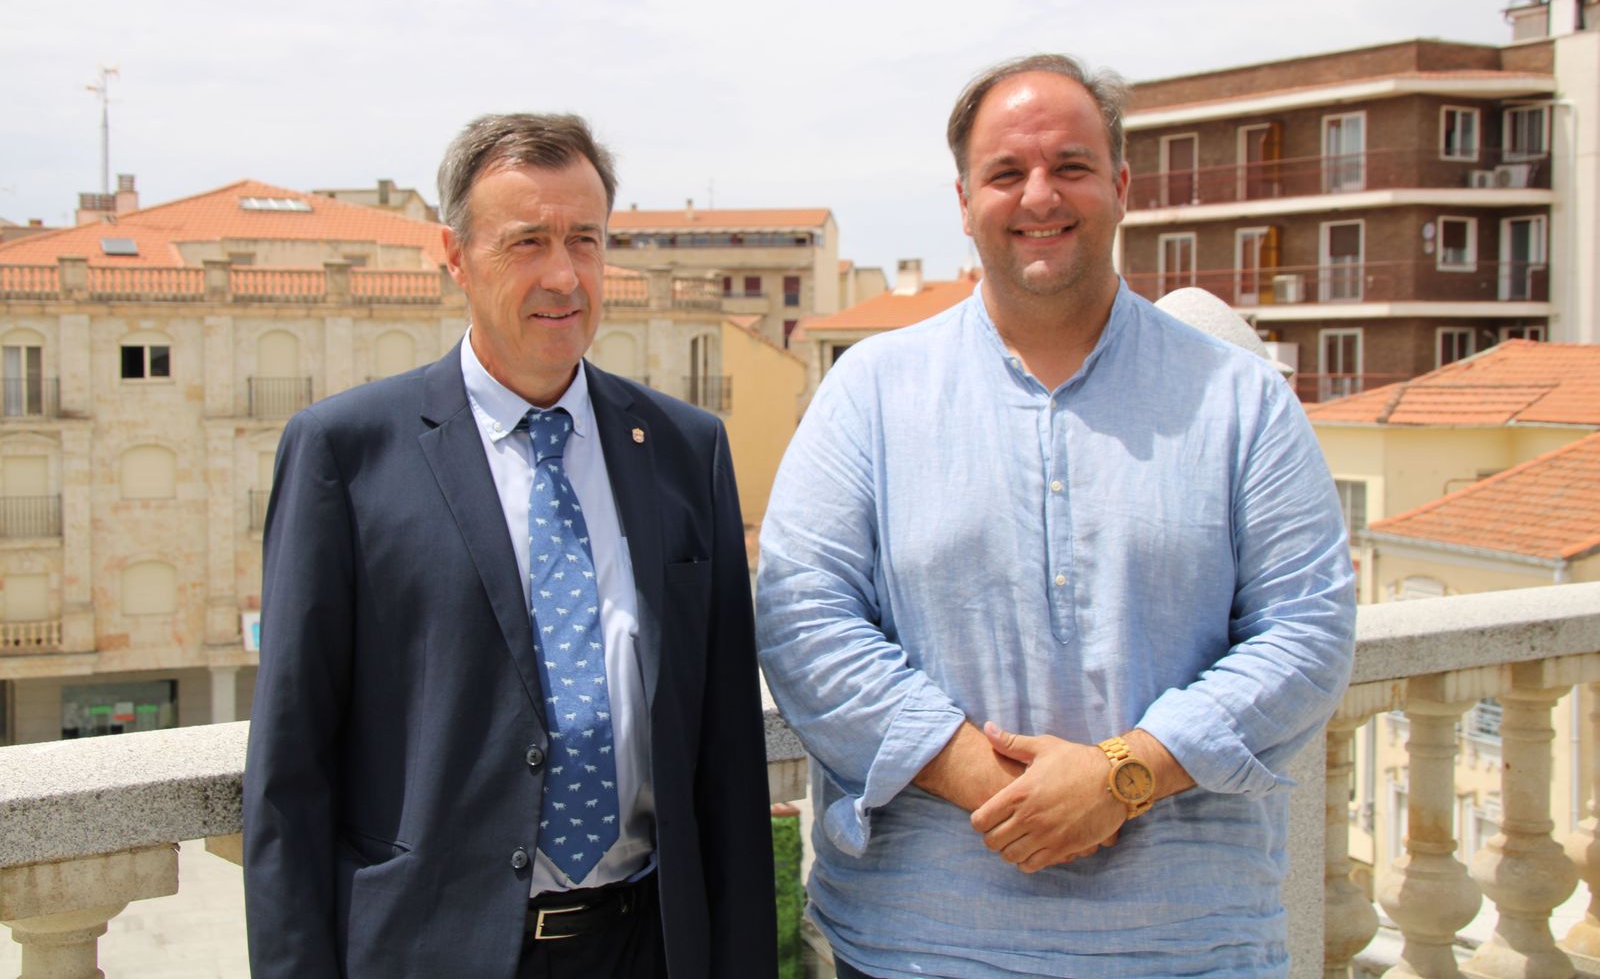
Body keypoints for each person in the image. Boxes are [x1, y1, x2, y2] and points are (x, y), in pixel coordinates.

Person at [755, 55, 1356, 977]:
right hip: (921, 942)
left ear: (1119, 186)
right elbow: (804, 621)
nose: (1040, 195)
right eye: (1007, 173)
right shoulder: (869, 393)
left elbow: (1308, 632)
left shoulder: (1238, 400)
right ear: (964, 201)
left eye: (1070, 166)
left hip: (1190, 945)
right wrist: (998, 787)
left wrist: (1123, 775)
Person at [244, 113, 777, 979]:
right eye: (526, 241)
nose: (563, 275)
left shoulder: (687, 450)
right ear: (453, 257)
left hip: (649, 943)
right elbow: (290, 770)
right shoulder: (347, 452)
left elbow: (725, 756)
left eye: (585, 240)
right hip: (434, 949)